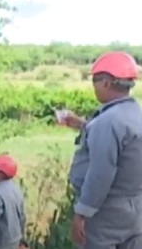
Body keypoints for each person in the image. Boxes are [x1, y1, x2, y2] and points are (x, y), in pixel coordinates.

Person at [61, 51, 142, 248]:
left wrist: (82, 213)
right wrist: (83, 125)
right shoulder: (135, 113)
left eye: (95, 81)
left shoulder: (108, 122)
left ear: (106, 82)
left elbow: (100, 175)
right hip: (136, 206)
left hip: (107, 211)